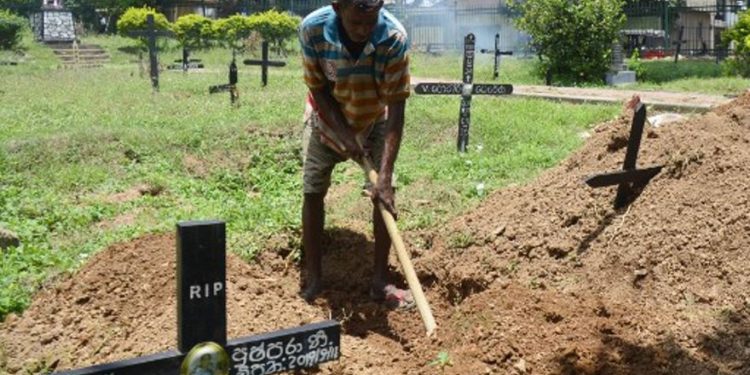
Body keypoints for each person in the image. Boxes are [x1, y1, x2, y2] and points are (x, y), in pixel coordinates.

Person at [298, 0, 414, 308]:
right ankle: (314, 279)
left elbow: (397, 108)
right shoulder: (312, 30)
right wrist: (345, 136)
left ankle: (379, 281)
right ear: (338, 8)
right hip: (327, 119)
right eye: (356, 23)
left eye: (370, 21)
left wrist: (385, 176)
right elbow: (319, 88)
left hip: (376, 119)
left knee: (384, 195)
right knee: (312, 189)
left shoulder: (393, 38)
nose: (364, 30)